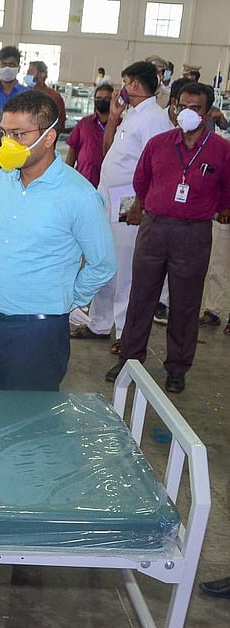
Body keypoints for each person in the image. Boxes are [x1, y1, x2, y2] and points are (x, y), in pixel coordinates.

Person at [0, 91, 116, 391]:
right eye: (5, 133)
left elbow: (103, 264)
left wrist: (64, 299)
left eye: (19, 135)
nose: (7, 143)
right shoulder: (1, 181)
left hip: (37, 330)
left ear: (49, 138)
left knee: (28, 424)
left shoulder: (79, 196)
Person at [105, 82, 230, 394]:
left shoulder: (221, 150)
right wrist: (144, 206)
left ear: (208, 113)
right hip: (154, 228)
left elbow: (227, 189)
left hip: (193, 232)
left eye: (196, 108)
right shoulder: (159, 143)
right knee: (141, 296)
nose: (188, 112)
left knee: (185, 303)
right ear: (174, 107)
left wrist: (219, 209)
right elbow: (141, 179)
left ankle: (177, 367)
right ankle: (129, 359)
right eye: (183, 106)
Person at [74, 62, 173, 347]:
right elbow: (108, 152)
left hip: (129, 201)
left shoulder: (154, 119)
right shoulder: (130, 115)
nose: (121, 88)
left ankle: (123, 331)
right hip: (110, 196)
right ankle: (100, 323)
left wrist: (140, 204)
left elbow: (157, 167)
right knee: (104, 260)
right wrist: (115, 119)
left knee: (126, 269)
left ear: (134, 85)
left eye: (125, 82)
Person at [64, 83, 113, 188]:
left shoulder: (120, 125)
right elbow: (72, 150)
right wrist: (67, 175)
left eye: (106, 98)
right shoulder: (84, 123)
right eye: (98, 98)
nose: (102, 101)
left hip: (109, 183)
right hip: (83, 180)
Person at [25, 60, 66, 133]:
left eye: (30, 72)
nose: (27, 75)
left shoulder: (53, 96)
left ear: (41, 75)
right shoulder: (24, 93)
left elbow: (60, 122)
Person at [0, 45, 29, 110]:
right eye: (3, 64)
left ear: (18, 68)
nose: (7, 68)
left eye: (12, 65)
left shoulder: (27, 94)